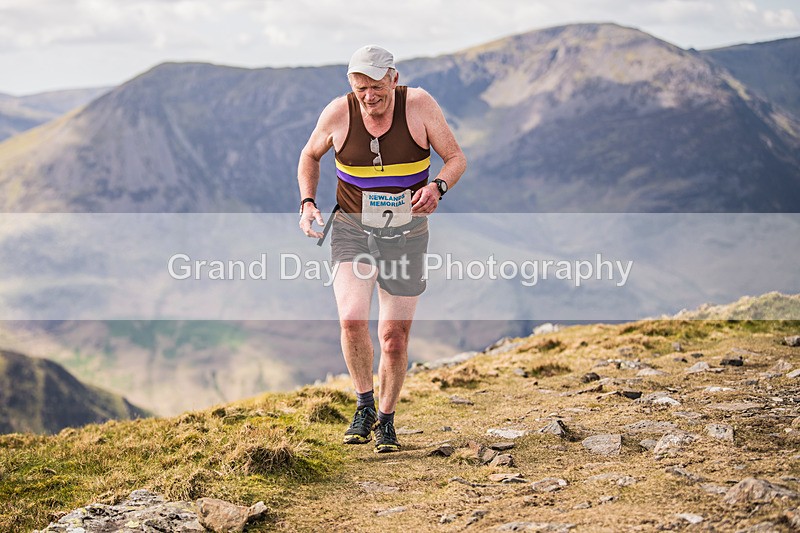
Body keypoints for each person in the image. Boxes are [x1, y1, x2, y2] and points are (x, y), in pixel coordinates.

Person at [297, 45, 466, 453]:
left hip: (406, 234)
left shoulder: (419, 105)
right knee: (352, 319)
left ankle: (387, 421)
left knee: (393, 336)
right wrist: (307, 202)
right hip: (352, 229)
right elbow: (309, 154)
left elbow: (456, 158)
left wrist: (437, 187)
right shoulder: (339, 112)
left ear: (393, 78)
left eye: (376, 87)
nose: (369, 96)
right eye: (360, 89)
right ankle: (364, 404)